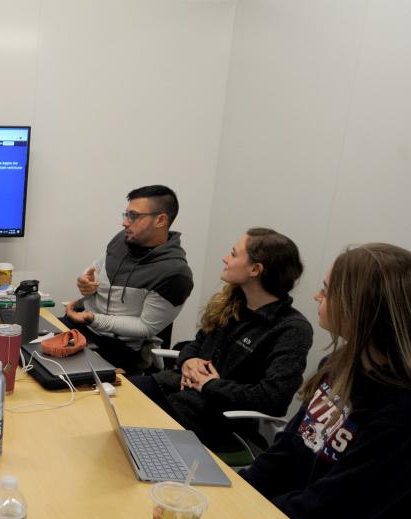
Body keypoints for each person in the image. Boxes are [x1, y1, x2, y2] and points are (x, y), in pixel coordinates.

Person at [242, 243, 411, 519]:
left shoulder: (401, 409)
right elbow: (286, 450)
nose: (317, 296)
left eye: (327, 289)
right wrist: (237, 493)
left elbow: (335, 509)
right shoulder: (337, 366)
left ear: (363, 307)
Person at [130, 228, 313, 452]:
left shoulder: (292, 330)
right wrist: (189, 361)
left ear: (255, 269)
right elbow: (195, 345)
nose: (226, 258)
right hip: (176, 392)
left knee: (126, 426)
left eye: (234, 254)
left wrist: (209, 385)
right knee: (115, 395)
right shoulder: (231, 303)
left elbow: (273, 399)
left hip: (213, 420)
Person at [63, 185, 194, 373]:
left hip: (119, 349)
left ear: (161, 220)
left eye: (133, 216)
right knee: (24, 346)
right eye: (126, 214)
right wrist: (86, 283)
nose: (125, 222)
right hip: (82, 327)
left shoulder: (175, 274)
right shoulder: (124, 239)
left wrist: (91, 318)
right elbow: (98, 267)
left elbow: (146, 327)